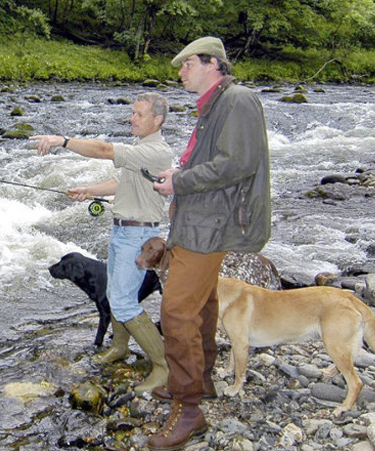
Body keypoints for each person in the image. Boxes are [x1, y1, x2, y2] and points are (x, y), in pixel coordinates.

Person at [147, 36, 272, 450]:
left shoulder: (238, 100)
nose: (180, 70)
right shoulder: (214, 105)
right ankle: (201, 382)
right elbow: (211, 161)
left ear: (212, 64)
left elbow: (238, 164)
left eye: (186, 64)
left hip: (210, 225)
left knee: (177, 310)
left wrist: (179, 181)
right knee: (201, 305)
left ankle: (188, 410)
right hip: (197, 220)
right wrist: (177, 174)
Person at [31, 92, 173, 395]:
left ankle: (162, 365)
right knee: (115, 292)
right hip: (123, 230)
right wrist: (88, 189)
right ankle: (120, 347)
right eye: (132, 113)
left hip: (138, 236)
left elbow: (104, 149)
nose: (132, 118)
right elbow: (122, 183)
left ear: (157, 120)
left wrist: (62, 141)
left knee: (123, 301)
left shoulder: (156, 151)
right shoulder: (141, 148)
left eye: (139, 114)